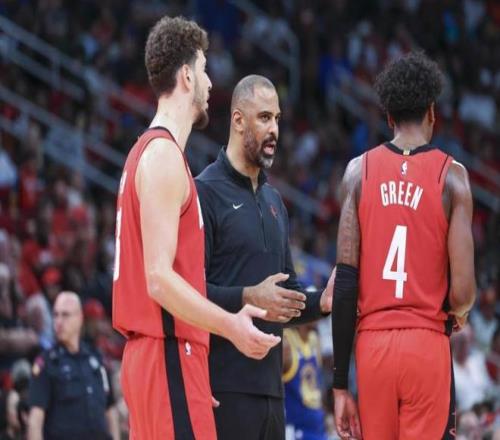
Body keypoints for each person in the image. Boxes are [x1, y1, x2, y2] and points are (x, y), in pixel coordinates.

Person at [111, 17, 280, 440]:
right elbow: (158, 278)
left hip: (166, 359)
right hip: (166, 354)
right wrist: (230, 325)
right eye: (204, 70)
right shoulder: (164, 157)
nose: (209, 83)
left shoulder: (147, 153)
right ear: (187, 76)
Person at [330, 51, 476, 440]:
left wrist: (340, 384)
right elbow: (463, 292)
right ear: (432, 112)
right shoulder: (453, 177)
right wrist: (459, 312)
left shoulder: (357, 172)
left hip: (373, 346)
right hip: (426, 343)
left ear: (389, 117)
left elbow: (345, 285)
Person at [195, 75, 334, 440]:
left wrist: (323, 302)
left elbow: (285, 299)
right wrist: (248, 296)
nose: (274, 130)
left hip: (274, 394)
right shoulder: (204, 192)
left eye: (277, 119)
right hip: (222, 389)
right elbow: (190, 293)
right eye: (264, 118)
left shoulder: (275, 202)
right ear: (238, 120)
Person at [27, 291, 119, 440]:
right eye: (55, 315)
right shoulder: (46, 363)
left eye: (65, 315)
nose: (58, 321)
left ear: (80, 318)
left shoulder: (96, 359)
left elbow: (110, 410)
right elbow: (35, 420)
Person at [282, 324, 327, 440]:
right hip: (296, 430)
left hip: (319, 428)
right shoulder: (285, 342)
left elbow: (317, 385)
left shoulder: (314, 339)